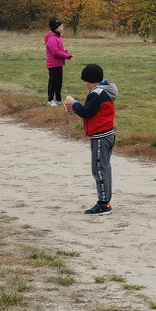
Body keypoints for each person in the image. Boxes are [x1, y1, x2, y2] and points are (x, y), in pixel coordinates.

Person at [64, 63, 118, 216]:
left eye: (85, 81)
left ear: (91, 81)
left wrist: (73, 102)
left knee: (99, 169)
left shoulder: (97, 94)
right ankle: (105, 200)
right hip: (106, 135)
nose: (84, 85)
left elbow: (86, 112)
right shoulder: (102, 91)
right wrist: (73, 108)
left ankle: (103, 203)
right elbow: (92, 112)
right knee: (104, 168)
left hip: (101, 137)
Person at [44, 18, 72, 106]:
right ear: (56, 27)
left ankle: (58, 99)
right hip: (53, 64)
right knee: (53, 82)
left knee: (59, 82)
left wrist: (67, 53)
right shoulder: (52, 38)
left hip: (59, 63)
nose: (63, 27)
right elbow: (55, 52)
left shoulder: (58, 37)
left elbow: (60, 50)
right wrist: (66, 56)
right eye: (61, 26)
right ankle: (50, 100)